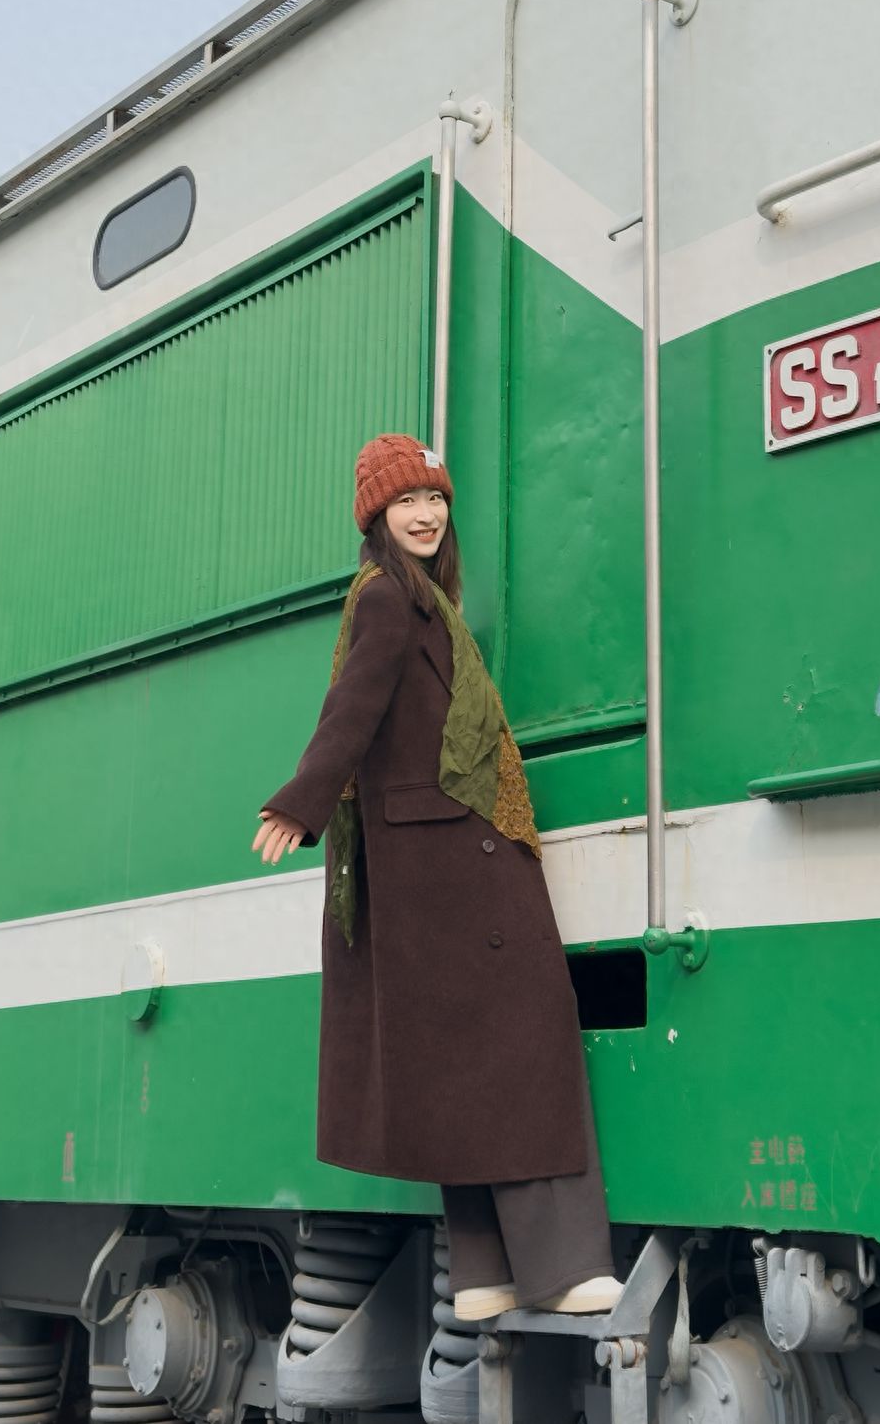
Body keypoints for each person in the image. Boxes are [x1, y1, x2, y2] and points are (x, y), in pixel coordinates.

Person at [251, 432, 619, 1321]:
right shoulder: (387, 601)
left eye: (436, 500)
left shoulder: (425, 603)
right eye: (406, 503)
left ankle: (486, 1274)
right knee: (527, 1043)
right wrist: (301, 802)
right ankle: (563, 1269)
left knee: (464, 1068)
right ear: (375, 517)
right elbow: (353, 709)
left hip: (443, 864)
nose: (425, 514)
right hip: (450, 859)